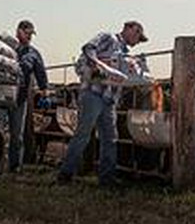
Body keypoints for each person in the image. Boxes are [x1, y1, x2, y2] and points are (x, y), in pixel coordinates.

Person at [57, 21, 150, 186]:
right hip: (93, 94)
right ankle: (66, 174)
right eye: (137, 34)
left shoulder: (127, 55)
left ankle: (107, 179)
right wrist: (98, 66)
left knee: (110, 138)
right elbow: (88, 48)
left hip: (109, 100)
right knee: (83, 134)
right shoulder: (108, 38)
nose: (137, 41)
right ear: (127, 28)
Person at [8, 19, 49, 173]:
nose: (30, 37)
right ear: (18, 32)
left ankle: (14, 166)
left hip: (20, 97)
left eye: (31, 34)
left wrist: (45, 92)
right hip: (0, 94)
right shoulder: (7, 49)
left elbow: (41, 74)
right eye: (27, 33)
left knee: (17, 133)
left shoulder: (33, 54)